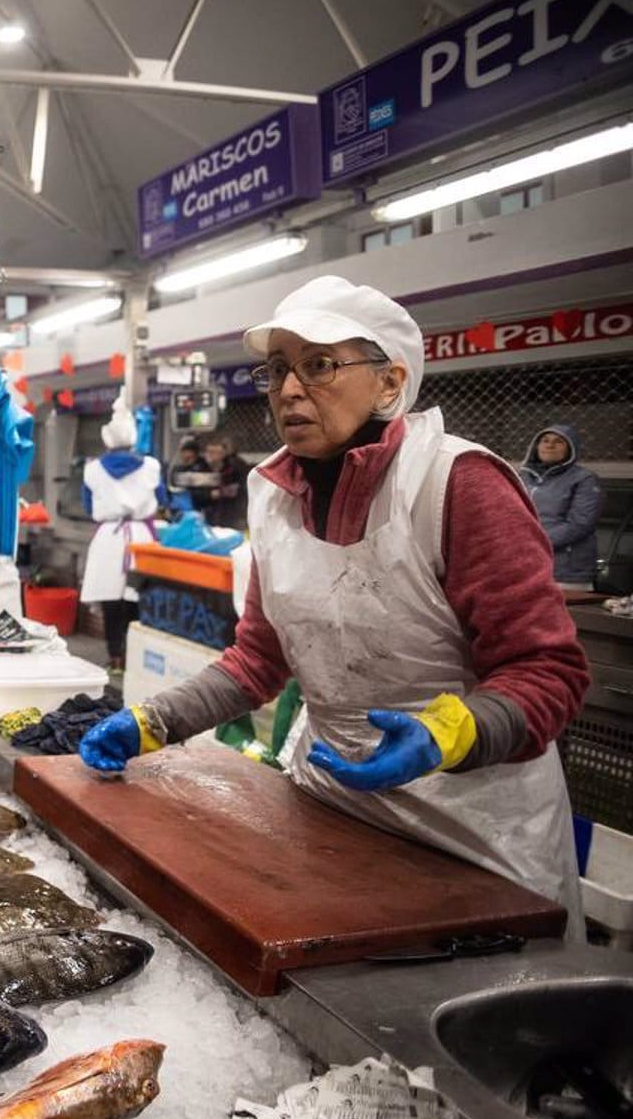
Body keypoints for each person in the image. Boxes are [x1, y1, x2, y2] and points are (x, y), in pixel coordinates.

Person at [80, 276, 590, 928]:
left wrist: (448, 733)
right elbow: (259, 660)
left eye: (319, 366)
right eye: (276, 371)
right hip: (327, 810)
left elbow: (550, 673)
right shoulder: (275, 498)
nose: (289, 390)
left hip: (473, 835)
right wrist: (154, 720)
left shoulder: (457, 485)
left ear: (388, 382)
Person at [79, 403, 166, 672]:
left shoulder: (92, 469)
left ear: (107, 439)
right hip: (141, 538)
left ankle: (115, 659)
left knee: (110, 602)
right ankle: (135, 657)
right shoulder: (151, 466)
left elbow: (86, 503)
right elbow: (163, 498)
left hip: (109, 537)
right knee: (137, 599)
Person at [521, 424, 602, 591]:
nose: (550, 445)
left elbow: (580, 524)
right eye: (545, 440)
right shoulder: (524, 477)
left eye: (559, 442)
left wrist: (533, 542)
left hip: (566, 571)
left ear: (571, 449)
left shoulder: (584, 479)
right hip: (527, 565)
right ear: (536, 446)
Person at [196, 434, 249, 529]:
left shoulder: (234, 468)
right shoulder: (201, 469)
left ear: (223, 453)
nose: (211, 455)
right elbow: (195, 493)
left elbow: (243, 491)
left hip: (230, 516)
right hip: (207, 516)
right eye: (209, 452)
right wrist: (209, 495)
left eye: (215, 452)